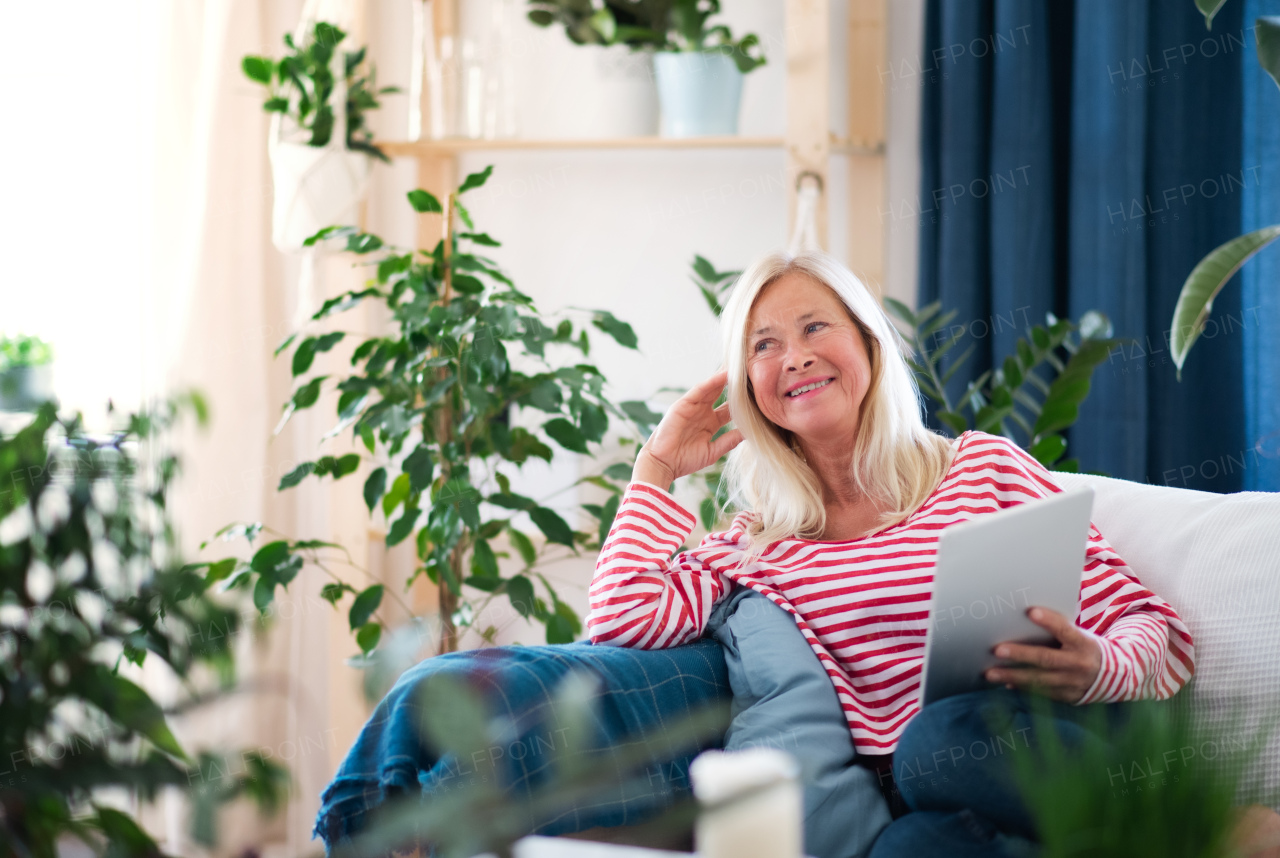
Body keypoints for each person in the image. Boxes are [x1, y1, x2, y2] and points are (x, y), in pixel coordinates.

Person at [586, 250, 1196, 856]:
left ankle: (1194, 830)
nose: (794, 356)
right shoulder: (755, 545)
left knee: (934, 741)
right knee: (905, 847)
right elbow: (620, 619)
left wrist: (1100, 666)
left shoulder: (982, 468)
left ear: (869, 344)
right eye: (762, 345)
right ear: (747, 386)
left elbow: (1160, 634)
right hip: (921, 802)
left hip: (1040, 741)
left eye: (815, 327)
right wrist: (657, 467)